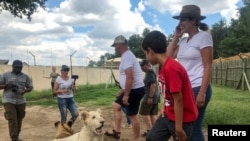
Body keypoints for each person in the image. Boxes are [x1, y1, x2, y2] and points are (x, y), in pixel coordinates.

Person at [167, 5, 213, 141]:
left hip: (197, 87)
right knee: (185, 126)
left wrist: (202, 92)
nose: (180, 23)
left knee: (193, 127)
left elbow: (208, 66)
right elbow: (168, 57)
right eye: (179, 20)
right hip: (185, 88)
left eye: (183, 20)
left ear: (193, 21)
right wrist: (175, 36)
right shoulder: (183, 41)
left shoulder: (204, 37)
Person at [141, 30, 198, 141]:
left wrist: (178, 128)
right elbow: (168, 93)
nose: (146, 57)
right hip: (168, 114)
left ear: (150, 51)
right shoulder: (162, 66)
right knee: (152, 138)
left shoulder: (171, 69)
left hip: (183, 119)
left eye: (145, 54)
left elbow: (179, 100)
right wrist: (164, 106)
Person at [105, 35, 145, 140]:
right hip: (133, 89)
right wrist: (123, 90)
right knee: (116, 105)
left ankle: (135, 138)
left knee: (132, 115)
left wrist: (126, 95)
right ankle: (116, 132)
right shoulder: (127, 56)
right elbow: (130, 77)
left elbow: (130, 77)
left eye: (115, 46)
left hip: (135, 90)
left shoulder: (127, 56)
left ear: (119, 45)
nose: (114, 49)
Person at [0, 60, 33, 141]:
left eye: (20, 67)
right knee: (12, 119)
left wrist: (25, 90)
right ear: (13, 67)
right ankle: (14, 138)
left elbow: (30, 87)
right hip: (8, 100)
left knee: (19, 119)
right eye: (17, 67)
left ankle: (16, 136)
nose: (18, 69)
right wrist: (7, 85)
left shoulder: (25, 76)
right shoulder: (5, 75)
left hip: (21, 100)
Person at [139, 59, 160, 137]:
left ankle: (150, 130)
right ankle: (154, 131)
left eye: (142, 66)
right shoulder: (150, 72)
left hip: (150, 96)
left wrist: (150, 97)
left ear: (147, 65)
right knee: (152, 114)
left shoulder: (149, 72)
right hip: (155, 96)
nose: (141, 67)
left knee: (144, 113)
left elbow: (153, 85)